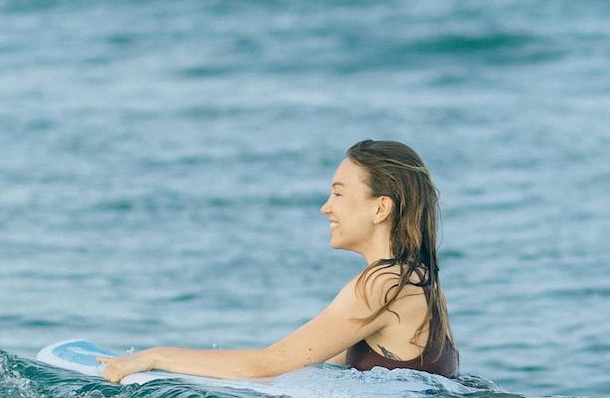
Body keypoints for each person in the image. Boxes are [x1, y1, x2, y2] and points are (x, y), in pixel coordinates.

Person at [97, 139, 459, 383]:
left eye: (338, 193)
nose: (326, 207)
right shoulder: (419, 279)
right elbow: (305, 365)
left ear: (380, 208)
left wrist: (154, 357)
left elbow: (268, 364)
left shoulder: (384, 284)